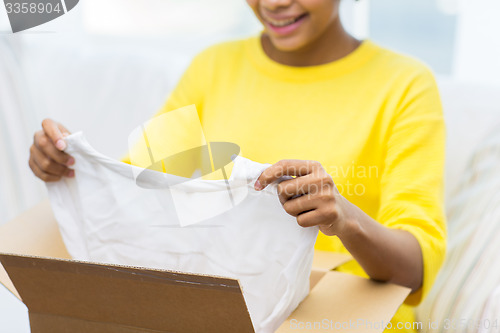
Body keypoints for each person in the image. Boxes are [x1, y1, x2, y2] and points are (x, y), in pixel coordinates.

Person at [28, 0, 446, 331]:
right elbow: (141, 189)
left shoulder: (405, 85)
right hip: (228, 314)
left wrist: (344, 219)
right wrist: (66, 165)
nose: (274, 3)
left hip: (350, 322)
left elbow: (414, 268)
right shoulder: (214, 67)